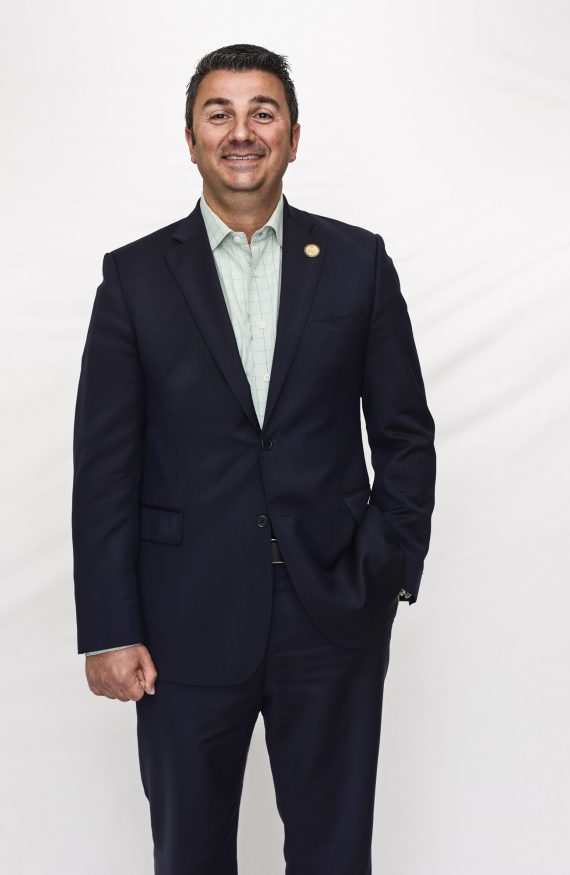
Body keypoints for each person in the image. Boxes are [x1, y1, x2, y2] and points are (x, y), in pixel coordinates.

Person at [72, 43, 436, 875]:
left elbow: (405, 435)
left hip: (332, 610)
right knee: (190, 855)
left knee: (334, 855)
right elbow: (105, 467)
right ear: (191, 138)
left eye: (262, 112)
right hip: (182, 619)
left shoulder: (358, 263)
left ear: (293, 137)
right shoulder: (133, 278)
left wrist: (384, 567)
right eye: (220, 114)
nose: (242, 132)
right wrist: (111, 626)